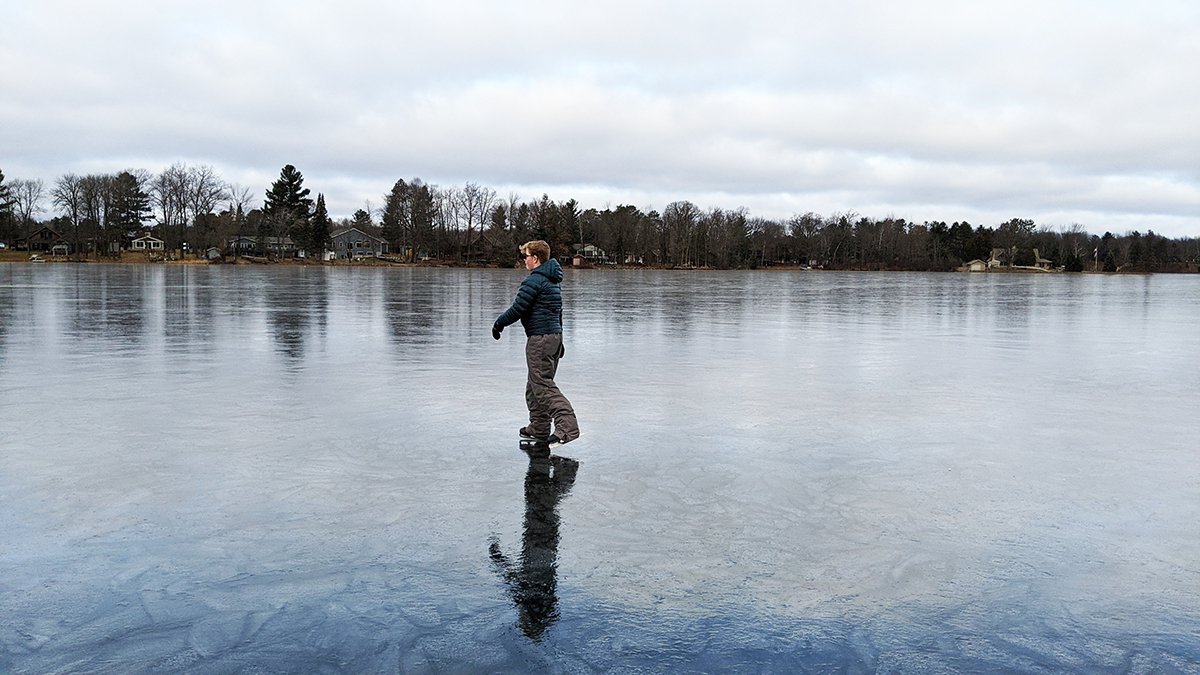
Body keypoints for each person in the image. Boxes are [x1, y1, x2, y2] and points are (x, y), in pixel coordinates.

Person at [492, 240, 580, 445]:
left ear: (536, 259)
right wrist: (560, 340)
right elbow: (557, 312)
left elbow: (518, 309)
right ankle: (539, 427)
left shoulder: (535, 281)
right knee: (534, 385)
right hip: (552, 337)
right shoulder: (552, 281)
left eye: (526, 256)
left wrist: (499, 323)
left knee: (541, 385)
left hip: (540, 339)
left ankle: (568, 427)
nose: (524, 260)